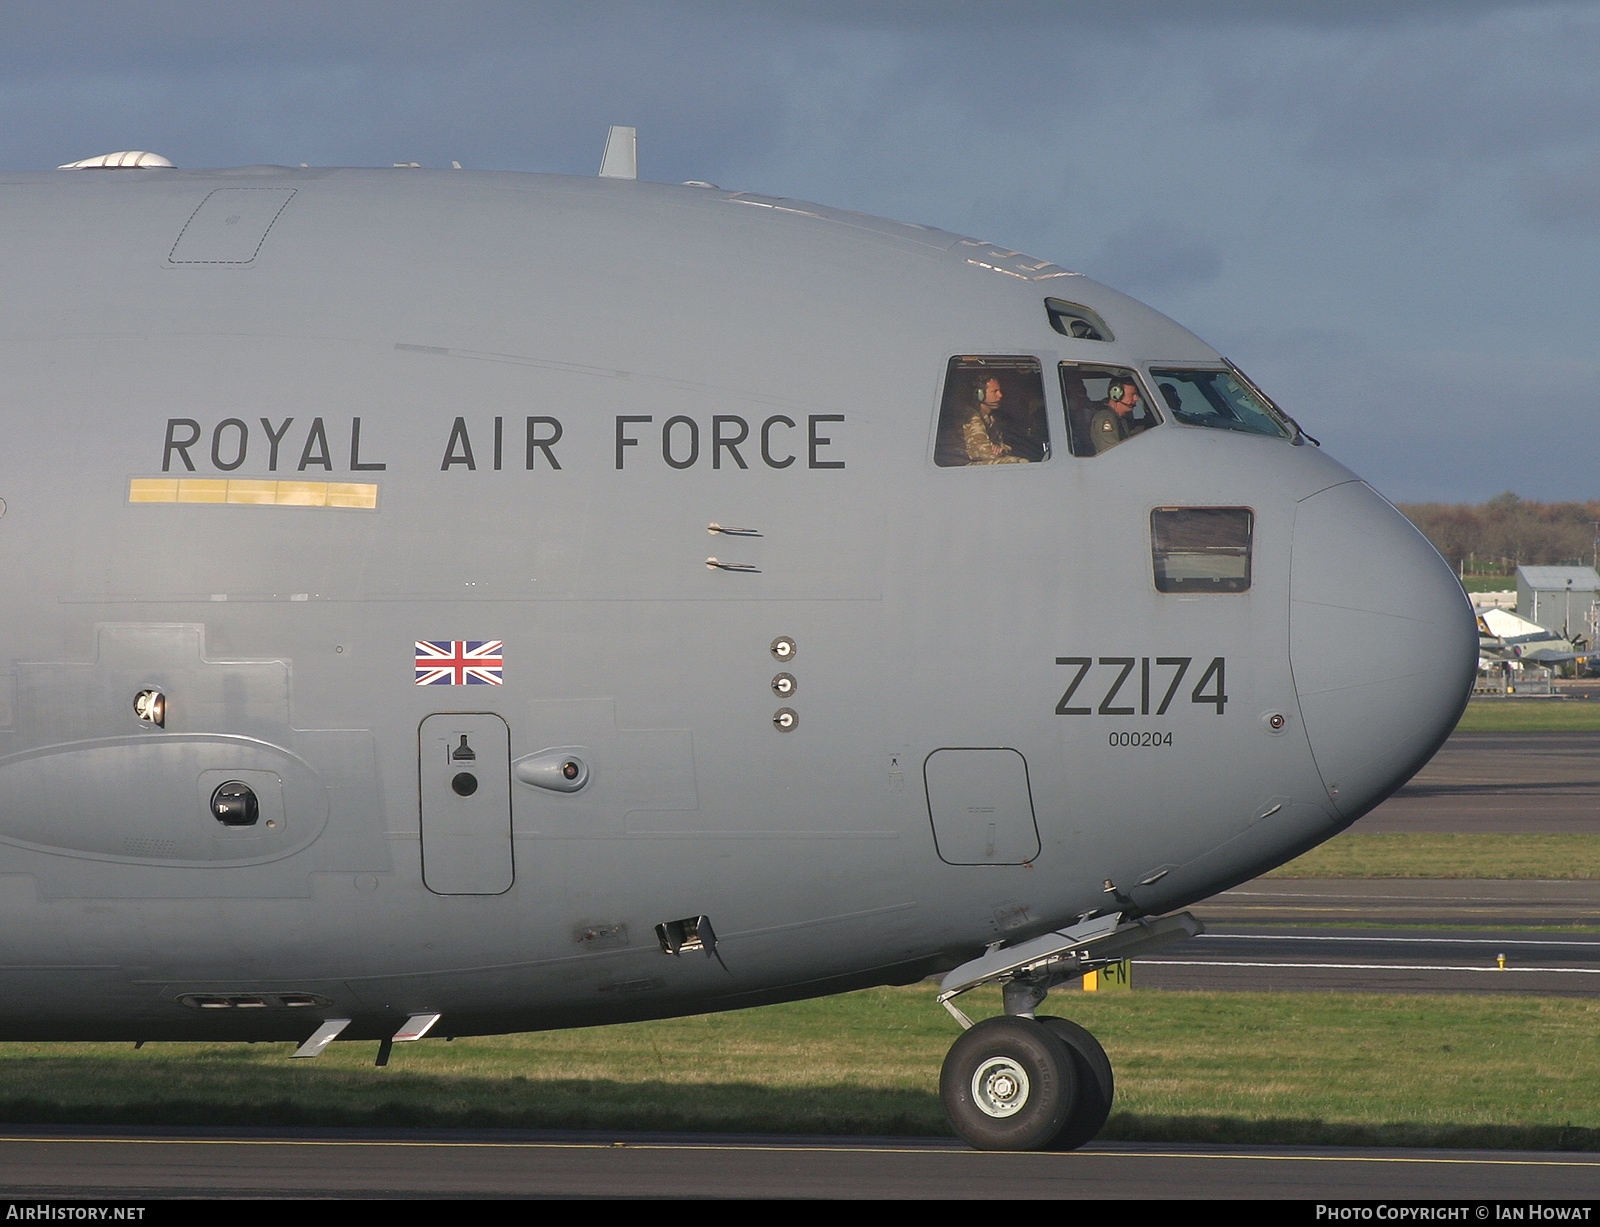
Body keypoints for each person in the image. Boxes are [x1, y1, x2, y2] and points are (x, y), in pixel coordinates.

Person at [960, 376, 1029, 465]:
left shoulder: (991, 418)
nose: (1000, 395)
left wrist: (1001, 448)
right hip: (964, 464)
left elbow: (1000, 444)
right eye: (995, 391)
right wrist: (1000, 451)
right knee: (1018, 462)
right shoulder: (971, 416)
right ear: (980, 394)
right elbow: (981, 452)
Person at [1087, 376, 1144, 454]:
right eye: (1132, 395)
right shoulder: (1106, 419)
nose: (1136, 399)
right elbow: (1113, 454)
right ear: (1116, 394)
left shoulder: (1122, 419)